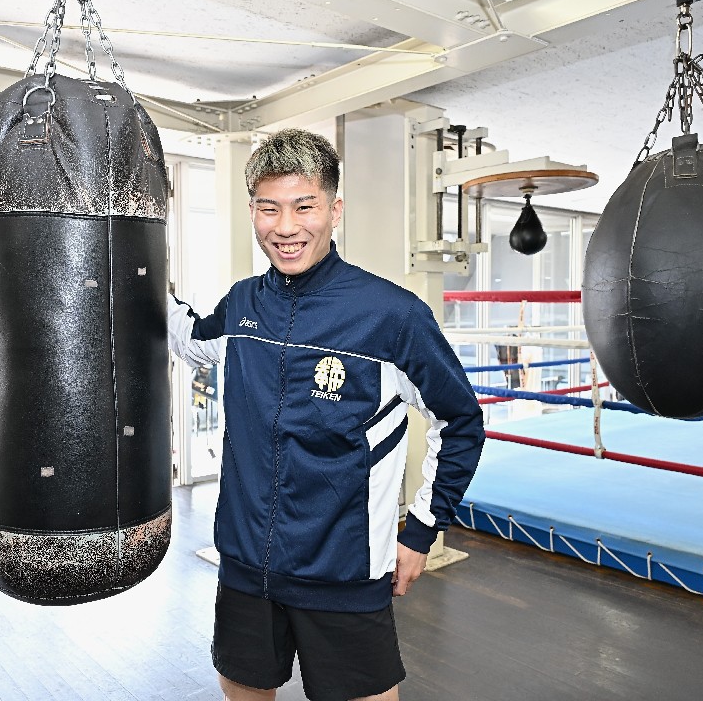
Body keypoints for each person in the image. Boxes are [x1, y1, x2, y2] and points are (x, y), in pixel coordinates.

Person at [167, 128, 485, 701]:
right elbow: (193, 341)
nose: (285, 227)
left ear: (335, 210)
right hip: (246, 564)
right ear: (252, 211)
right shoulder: (242, 304)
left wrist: (421, 530)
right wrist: (136, 275)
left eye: (304, 206)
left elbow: (460, 422)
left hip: (343, 570)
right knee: (241, 687)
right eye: (269, 208)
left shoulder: (392, 316)